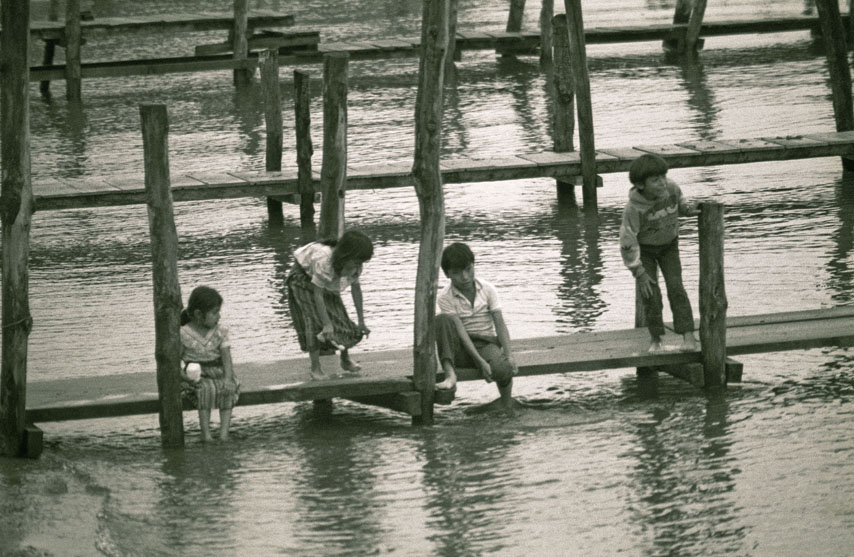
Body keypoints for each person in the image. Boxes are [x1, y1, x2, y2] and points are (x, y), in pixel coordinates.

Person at [619, 153, 699, 353]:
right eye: (655, 180)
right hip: (644, 250)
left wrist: (687, 208)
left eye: (663, 176)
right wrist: (639, 272)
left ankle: (688, 337)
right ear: (640, 185)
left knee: (676, 288)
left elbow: (680, 201)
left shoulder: (670, 188)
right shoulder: (633, 209)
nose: (662, 183)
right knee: (651, 294)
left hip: (669, 246)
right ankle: (656, 339)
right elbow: (627, 241)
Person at [434, 242, 518, 413]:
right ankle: (450, 375)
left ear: (473, 265)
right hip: (460, 346)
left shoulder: (487, 289)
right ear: (447, 274)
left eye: (468, 269)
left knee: (504, 369)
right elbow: (460, 332)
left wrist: (509, 355)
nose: (465, 277)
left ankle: (506, 401)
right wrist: (480, 362)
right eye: (457, 273)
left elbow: (499, 324)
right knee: (442, 320)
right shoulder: (445, 296)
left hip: (486, 343)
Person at [286, 229, 373, 380]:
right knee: (313, 320)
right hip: (302, 277)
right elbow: (317, 294)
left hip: (321, 279)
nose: (359, 265)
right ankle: (315, 368)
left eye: (361, 262)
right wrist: (326, 324)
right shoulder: (324, 259)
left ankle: (345, 359)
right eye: (357, 260)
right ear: (347, 254)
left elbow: (356, 289)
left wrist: (361, 321)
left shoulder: (355, 266)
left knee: (340, 315)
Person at [180, 286, 239, 442]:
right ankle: (206, 434)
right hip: (197, 374)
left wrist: (228, 378)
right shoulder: (183, 333)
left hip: (217, 371)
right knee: (206, 390)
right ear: (199, 314)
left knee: (226, 389)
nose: (218, 317)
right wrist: (184, 378)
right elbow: (176, 361)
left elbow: (226, 357)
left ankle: (223, 433)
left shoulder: (220, 331)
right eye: (214, 313)